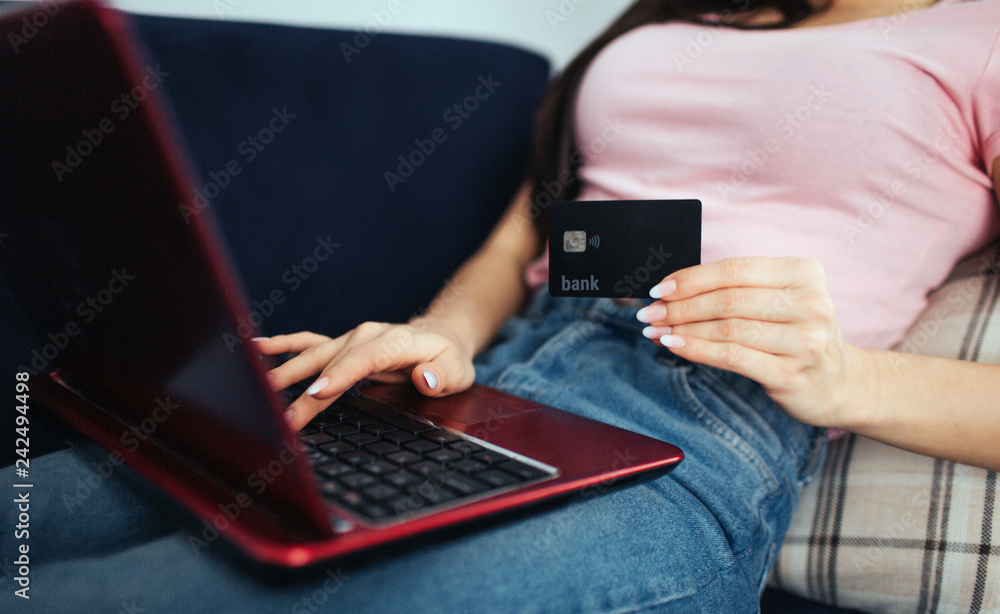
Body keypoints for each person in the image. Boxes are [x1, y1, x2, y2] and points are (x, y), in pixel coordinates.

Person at [4, 0, 999, 611]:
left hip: (692, 437)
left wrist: (849, 378)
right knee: (33, 516)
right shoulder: (681, 17)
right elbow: (516, 241)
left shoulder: (979, 35)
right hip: (486, 389)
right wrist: (438, 333)